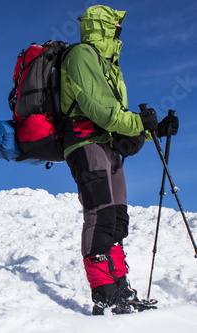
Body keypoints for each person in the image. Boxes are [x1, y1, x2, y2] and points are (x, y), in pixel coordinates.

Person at [60, 5, 179, 315]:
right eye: (115, 28)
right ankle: (102, 289)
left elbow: (118, 122)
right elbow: (103, 112)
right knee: (99, 214)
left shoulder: (109, 64)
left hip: (108, 146)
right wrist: (139, 123)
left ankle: (120, 286)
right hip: (84, 142)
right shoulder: (81, 55)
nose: (119, 34)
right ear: (103, 27)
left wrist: (155, 130)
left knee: (117, 218)